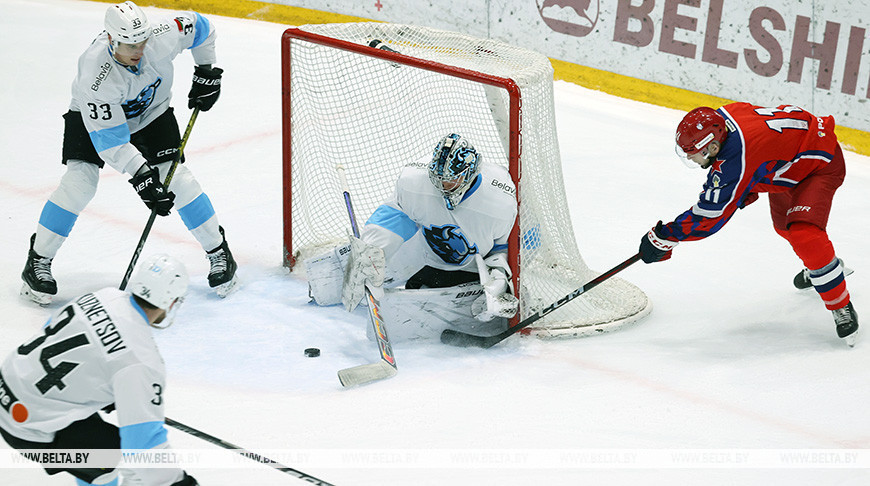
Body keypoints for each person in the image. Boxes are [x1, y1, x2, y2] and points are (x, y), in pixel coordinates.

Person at [20, 1, 237, 306]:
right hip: (93, 120)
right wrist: (142, 176)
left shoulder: (161, 36)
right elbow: (112, 141)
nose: (138, 50)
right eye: (129, 44)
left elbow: (201, 27)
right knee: (80, 182)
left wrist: (207, 69)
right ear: (111, 39)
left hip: (152, 114)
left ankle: (219, 252)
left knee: (178, 180)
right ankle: (37, 261)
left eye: (141, 41)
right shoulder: (95, 76)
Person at [639, 103, 858, 346]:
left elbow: (711, 215)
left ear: (713, 145)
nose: (691, 157)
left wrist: (666, 236)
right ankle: (824, 267)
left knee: (803, 234)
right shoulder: (722, 118)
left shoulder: (737, 156)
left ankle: (840, 304)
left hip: (819, 164)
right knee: (784, 228)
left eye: (694, 153)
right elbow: (759, 154)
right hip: (786, 164)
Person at [0, 254, 197, 486]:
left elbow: (51, 330)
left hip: (8, 385)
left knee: (103, 454)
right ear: (171, 301)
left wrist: (97, 383)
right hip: (29, 425)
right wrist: (177, 482)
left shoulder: (103, 295)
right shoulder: (140, 361)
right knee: (118, 461)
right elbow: (143, 446)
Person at [307, 133, 519, 331]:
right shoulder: (414, 180)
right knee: (357, 270)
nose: (441, 186)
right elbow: (394, 215)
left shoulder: (500, 202)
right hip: (422, 246)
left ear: (469, 175)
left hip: (471, 267)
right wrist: (371, 252)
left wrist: (498, 282)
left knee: (459, 310)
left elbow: (501, 249)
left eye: (449, 181)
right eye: (437, 178)